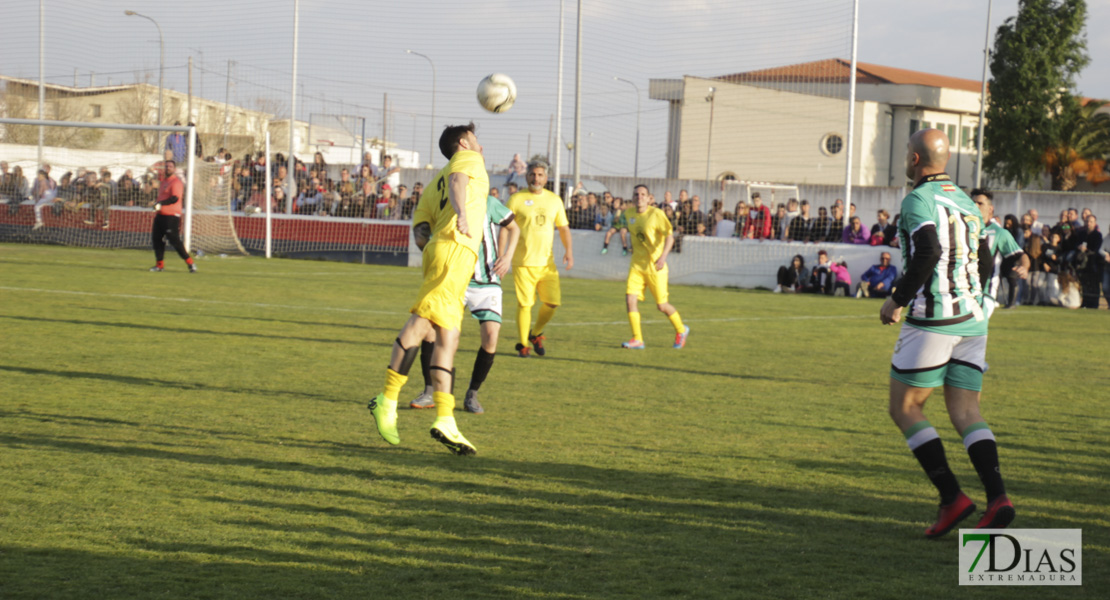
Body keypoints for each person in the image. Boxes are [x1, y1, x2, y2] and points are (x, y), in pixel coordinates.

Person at [880, 128, 1012, 539]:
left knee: (904, 407)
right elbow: (986, 255)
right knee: (966, 411)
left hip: (936, 317)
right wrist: (971, 295)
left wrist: (897, 298)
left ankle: (952, 496)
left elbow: (929, 250)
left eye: (907, 152)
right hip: (973, 319)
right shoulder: (964, 200)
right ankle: (998, 498)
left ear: (915, 159)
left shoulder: (918, 199)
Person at [366, 122, 488, 456]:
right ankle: (386, 400)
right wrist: (462, 215)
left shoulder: (434, 182)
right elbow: (458, 181)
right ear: (463, 143)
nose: (481, 146)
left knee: (448, 337)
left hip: (444, 252)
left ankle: (445, 418)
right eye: (476, 140)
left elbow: (421, 229)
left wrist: (436, 251)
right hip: (455, 250)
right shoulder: (468, 161)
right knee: (422, 324)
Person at [410, 191, 522, 414]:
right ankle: (429, 391)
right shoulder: (448, 202)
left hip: (487, 281)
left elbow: (513, 227)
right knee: (432, 333)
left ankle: (472, 394)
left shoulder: (488, 202)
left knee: (491, 337)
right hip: (454, 280)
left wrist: (508, 256)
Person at [506, 160, 574, 357]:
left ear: (546, 178)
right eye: (533, 174)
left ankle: (535, 334)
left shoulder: (555, 200)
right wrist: (503, 254)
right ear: (527, 176)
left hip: (547, 264)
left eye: (540, 175)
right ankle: (522, 345)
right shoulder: (516, 199)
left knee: (553, 303)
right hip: (523, 262)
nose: (536, 178)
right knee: (525, 304)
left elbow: (563, 228)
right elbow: (505, 228)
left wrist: (568, 251)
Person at [620, 184, 688, 349]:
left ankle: (681, 330)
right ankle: (637, 339)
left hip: (655, 266)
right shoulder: (628, 214)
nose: (640, 197)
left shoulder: (656, 214)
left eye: (643, 194)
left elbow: (670, 237)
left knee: (662, 306)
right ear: (633, 197)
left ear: (649, 197)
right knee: (630, 300)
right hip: (637, 265)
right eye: (637, 194)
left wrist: (663, 257)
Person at [970, 189, 1029, 316]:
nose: (975, 206)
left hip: (985, 293)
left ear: (990, 209)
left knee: (972, 329)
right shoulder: (963, 228)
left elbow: (1021, 255)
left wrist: (1024, 267)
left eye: (980, 203)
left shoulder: (999, 233)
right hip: (961, 291)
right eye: (973, 202)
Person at [149, 160, 197, 273]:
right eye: (166, 166)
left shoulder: (176, 182)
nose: (168, 168)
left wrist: (160, 204)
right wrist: (156, 204)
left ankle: (190, 263)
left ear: (174, 169)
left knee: (174, 240)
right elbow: (161, 198)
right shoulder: (163, 182)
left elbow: (175, 198)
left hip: (171, 216)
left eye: (170, 166)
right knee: (156, 239)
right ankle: (159, 265)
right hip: (160, 215)